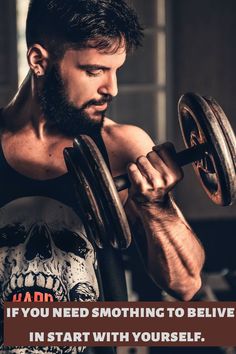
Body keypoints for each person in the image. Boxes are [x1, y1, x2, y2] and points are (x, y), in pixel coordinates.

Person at [0, 0, 205, 353]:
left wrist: (156, 206)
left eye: (116, 70)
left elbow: (185, 284)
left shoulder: (122, 146)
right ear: (39, 61)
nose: (112, 88)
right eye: (94, 71)